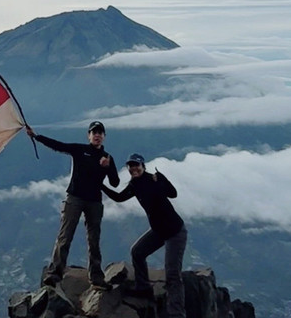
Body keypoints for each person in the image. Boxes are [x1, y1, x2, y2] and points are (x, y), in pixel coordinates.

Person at [24, 120, 119, 289]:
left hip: (94, 201)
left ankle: (96, 277)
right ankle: (54, 274)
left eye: (100, 132)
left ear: (104, 137)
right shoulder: (79, 149)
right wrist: (37, 137)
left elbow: (115, 182)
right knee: (65, 236)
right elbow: (58, 146)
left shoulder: (107, 158)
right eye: (94, 132)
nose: (97, 135)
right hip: (74, 198)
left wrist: (107, 167)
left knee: (94, 240)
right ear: (88, 135)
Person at [102, 153, 187, 316]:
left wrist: (163, 179)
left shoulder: (153, 180)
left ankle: (177, 313)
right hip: (158, 231)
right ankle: (143, 288)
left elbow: (173, 193)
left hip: (175, 232)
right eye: (130, 166)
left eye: (136, 165)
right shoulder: (134, 185)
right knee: (137, 252)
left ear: (143, 165)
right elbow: (120, 197)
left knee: (172, 274)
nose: (133, 168)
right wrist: (101, 186)